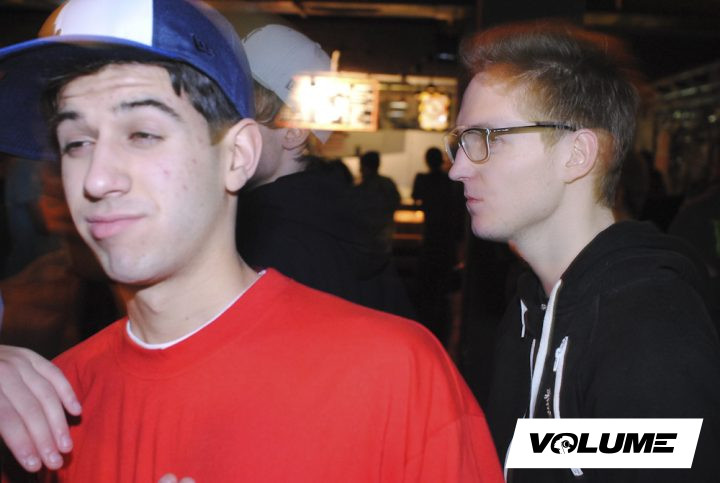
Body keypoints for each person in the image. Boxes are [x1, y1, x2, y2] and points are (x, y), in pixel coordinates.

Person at [0, 1, 502, 481]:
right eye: (76, 142)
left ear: (239, 154)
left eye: (143, 134)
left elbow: (551, 450)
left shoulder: (397, 375)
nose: (97, 179)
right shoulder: (45, 406)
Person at [445, 20, 720, 482]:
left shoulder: (650, 327)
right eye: (461, 142)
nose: (457, 169)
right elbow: (544, 454)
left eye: (490, 138)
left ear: (577, 154)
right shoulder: (530, 308)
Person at [236, 25, 414, 318]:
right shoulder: (340, 221)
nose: (222, 128)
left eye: (242, 114)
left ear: (294, 132)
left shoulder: (273, 243)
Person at [411, 147, 465, 344]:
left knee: (428, 285)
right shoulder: (450, 182)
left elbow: (416, 198)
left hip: (431, 236)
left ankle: (427, 323)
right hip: (446, 239)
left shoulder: (423, 180)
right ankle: (440, 327)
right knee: (443, 287)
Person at [357, 150, 401, 255]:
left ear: (365, 167)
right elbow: (396, 202)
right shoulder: (387, 183)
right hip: (385, 234)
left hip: (366, 237)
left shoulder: (362, 188)